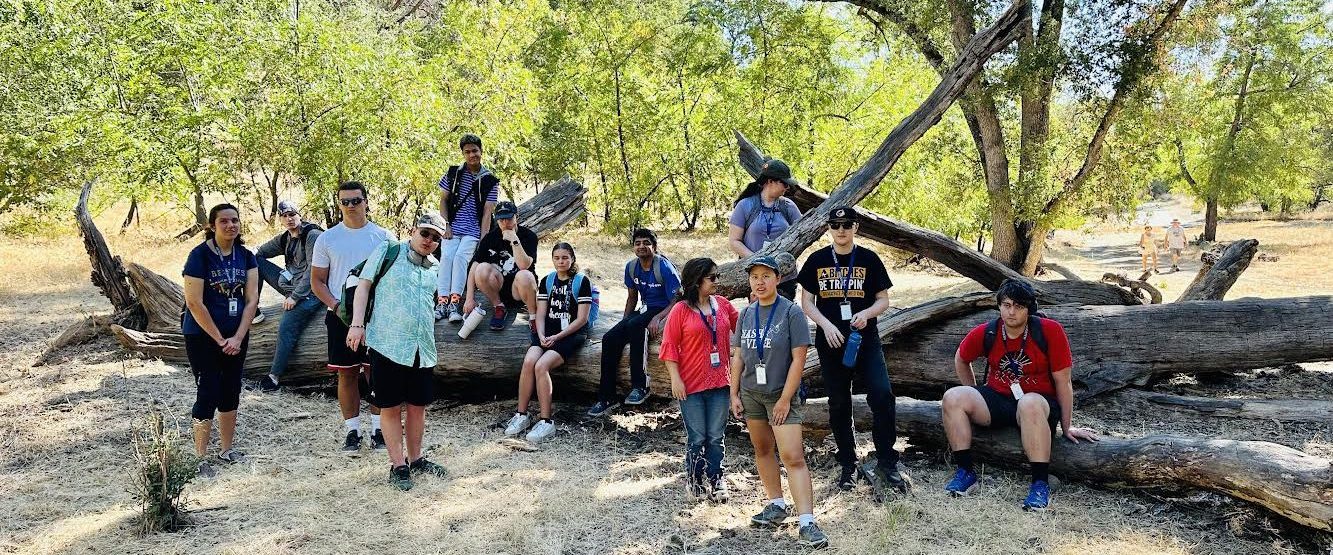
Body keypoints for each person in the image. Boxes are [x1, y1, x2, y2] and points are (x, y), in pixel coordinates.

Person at [940, 279, 1100, 511]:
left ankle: (1039, 484)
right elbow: (961, 359)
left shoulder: (1049, 331)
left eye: (1018, 306)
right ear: (999, 307)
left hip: (1038, 403)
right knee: (953, 397)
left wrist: (1067, 427)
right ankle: (965, 472)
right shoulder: (989, 331)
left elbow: (1063, 382)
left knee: (1028, 402)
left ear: (1029, 308)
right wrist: (974, 390)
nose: (1011, 312)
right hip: (998, 397)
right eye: (1006, 305)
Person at [796, 206, 909, 495]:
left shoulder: (869, 259)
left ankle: (886, 460)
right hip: (831, 340)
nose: (841, 230)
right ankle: (848, 461)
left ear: (856, 227)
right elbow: (807, 302)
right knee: (838, 401)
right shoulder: (817, 260)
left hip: (864, 339)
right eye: (835, 225)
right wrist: (825, 325)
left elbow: (883, 299)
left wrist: (868, 313)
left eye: (847, 224)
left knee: (882, 395)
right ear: (829, 229)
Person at [346, 214, 450, 491]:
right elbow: (364, 285)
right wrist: (357, 325)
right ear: (413, 230)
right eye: (425, 233)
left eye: (436, 238)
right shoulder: (388, 250)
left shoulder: (434, 266)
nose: (429, 241)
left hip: (422, 347)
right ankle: (398, 465)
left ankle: (416, 459)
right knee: (390, 407)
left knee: (418, 406)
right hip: (388, 344)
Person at [730, 256, 826, 548]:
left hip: (781, 395)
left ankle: (807, 522)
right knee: (762, 449)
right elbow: (739, 356)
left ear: (778, 279)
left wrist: (785, 399)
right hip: (751, 394)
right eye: (754, 276)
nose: (760, 282)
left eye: (766, 276)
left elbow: (800, 360)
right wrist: (733, 393)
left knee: (793, 457)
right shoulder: (746, 313)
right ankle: (775, 504)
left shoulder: (791, 313)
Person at [310, 181, 391, 452]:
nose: (350, 206)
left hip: (376, 316)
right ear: (338, 204)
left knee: (376, 373)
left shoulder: (383, 237)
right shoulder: (327, 238)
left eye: (356, 200)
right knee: (346, 374)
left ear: (366, 201)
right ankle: (352, 432)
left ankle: (379, 430)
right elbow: (317, 281)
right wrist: (336, 307)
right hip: (340, 318)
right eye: (345, 202)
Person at [182, 203, 259, 479]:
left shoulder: (246, 256)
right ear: (212, 226)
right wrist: (219, 339)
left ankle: (227, 450)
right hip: (203, 336)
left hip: (236, 337)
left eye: (235, 220)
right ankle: (199, 458)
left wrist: (237, 337)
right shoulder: (199, 256)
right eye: (224, 221)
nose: (230, 226)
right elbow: (194, 302)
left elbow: (251, 301)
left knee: (231, 390)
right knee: (208, 392)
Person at [660, 257, 739, 502]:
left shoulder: (723, 305)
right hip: (691, 384)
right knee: (698, 437)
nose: (717, 282)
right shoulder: (680, 310)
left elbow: (745, 326)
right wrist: (676, 379)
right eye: (712, 277)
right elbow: (669, 347)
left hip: (720, 382)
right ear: (696, 281)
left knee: (716, 436)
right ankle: (694, 479)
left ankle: (716, 479)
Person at [502, 242, 594, 443]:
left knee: (541, 366)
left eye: (565, 257)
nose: (561, 261)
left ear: (572, 259)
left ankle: (546, 422)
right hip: (548, 332)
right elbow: (541, 313)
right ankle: (521, 416)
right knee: (529, 362)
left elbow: (582, 320)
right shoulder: (547, 281)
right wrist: (541, 334)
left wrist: (557, 337)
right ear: (552, 259)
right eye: (557, 258)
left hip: (571, 334)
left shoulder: (581, 281)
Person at [587, 228, 683, 416]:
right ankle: (607, 397)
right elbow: (632, 297)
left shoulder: (663, 267)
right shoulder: (631, 267)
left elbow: (678, 299)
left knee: (637, 326)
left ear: (654, 246)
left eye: (646, 243)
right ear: (633, 247)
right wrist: (622, 323)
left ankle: (641, 386)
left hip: (664, 308)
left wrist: (659, 317)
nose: (642, 246)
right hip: (645, 308)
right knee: (610, 338)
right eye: (637, 243)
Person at [252, 200, 324, 392]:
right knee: (255, 261)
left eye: (292, 214)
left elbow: (313, 271)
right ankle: (252, 309)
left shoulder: (312, 235)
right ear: (281, 219)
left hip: (313, 291)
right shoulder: (286, 238)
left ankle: (274, 377)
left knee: (286, 327)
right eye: (284, 216)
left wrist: (295, 297)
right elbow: (260, 252)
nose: (289, 219)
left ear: (299, 215)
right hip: (291, 285)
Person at [435, 134, 499, 323]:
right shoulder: (453, 174)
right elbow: (443, 200)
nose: (472, 155)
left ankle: (455, 302)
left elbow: (488, 213)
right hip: (453, 227)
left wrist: (484, 239)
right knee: (446, 257)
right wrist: (445, 224)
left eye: (475, 151)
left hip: (473, 229)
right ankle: (442, 302)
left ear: (481, 151)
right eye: (468, 152)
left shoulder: (490, 181)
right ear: (463, 153)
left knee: (461, 258)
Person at [728, 158, 804, 300]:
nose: (787, 188)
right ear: (770, 181)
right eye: (785, 183)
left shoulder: (789, 207)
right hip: (757, 279)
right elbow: (734, 241)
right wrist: (758, 262)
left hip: (784, 278)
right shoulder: (745, 205)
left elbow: (801, 235)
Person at [461, 200, 539, 331]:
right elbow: (474, 267)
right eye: (501, 219)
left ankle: (533, 317)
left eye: (508, 218)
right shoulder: (490, 238)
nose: (505, 223)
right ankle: (499, 307)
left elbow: (524, 265)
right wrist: (469, 298)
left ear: (516, 217)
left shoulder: (529, 236)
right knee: (481, 269)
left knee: (524, 274)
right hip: (499, 287)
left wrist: (514, 240)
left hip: (521, 289)